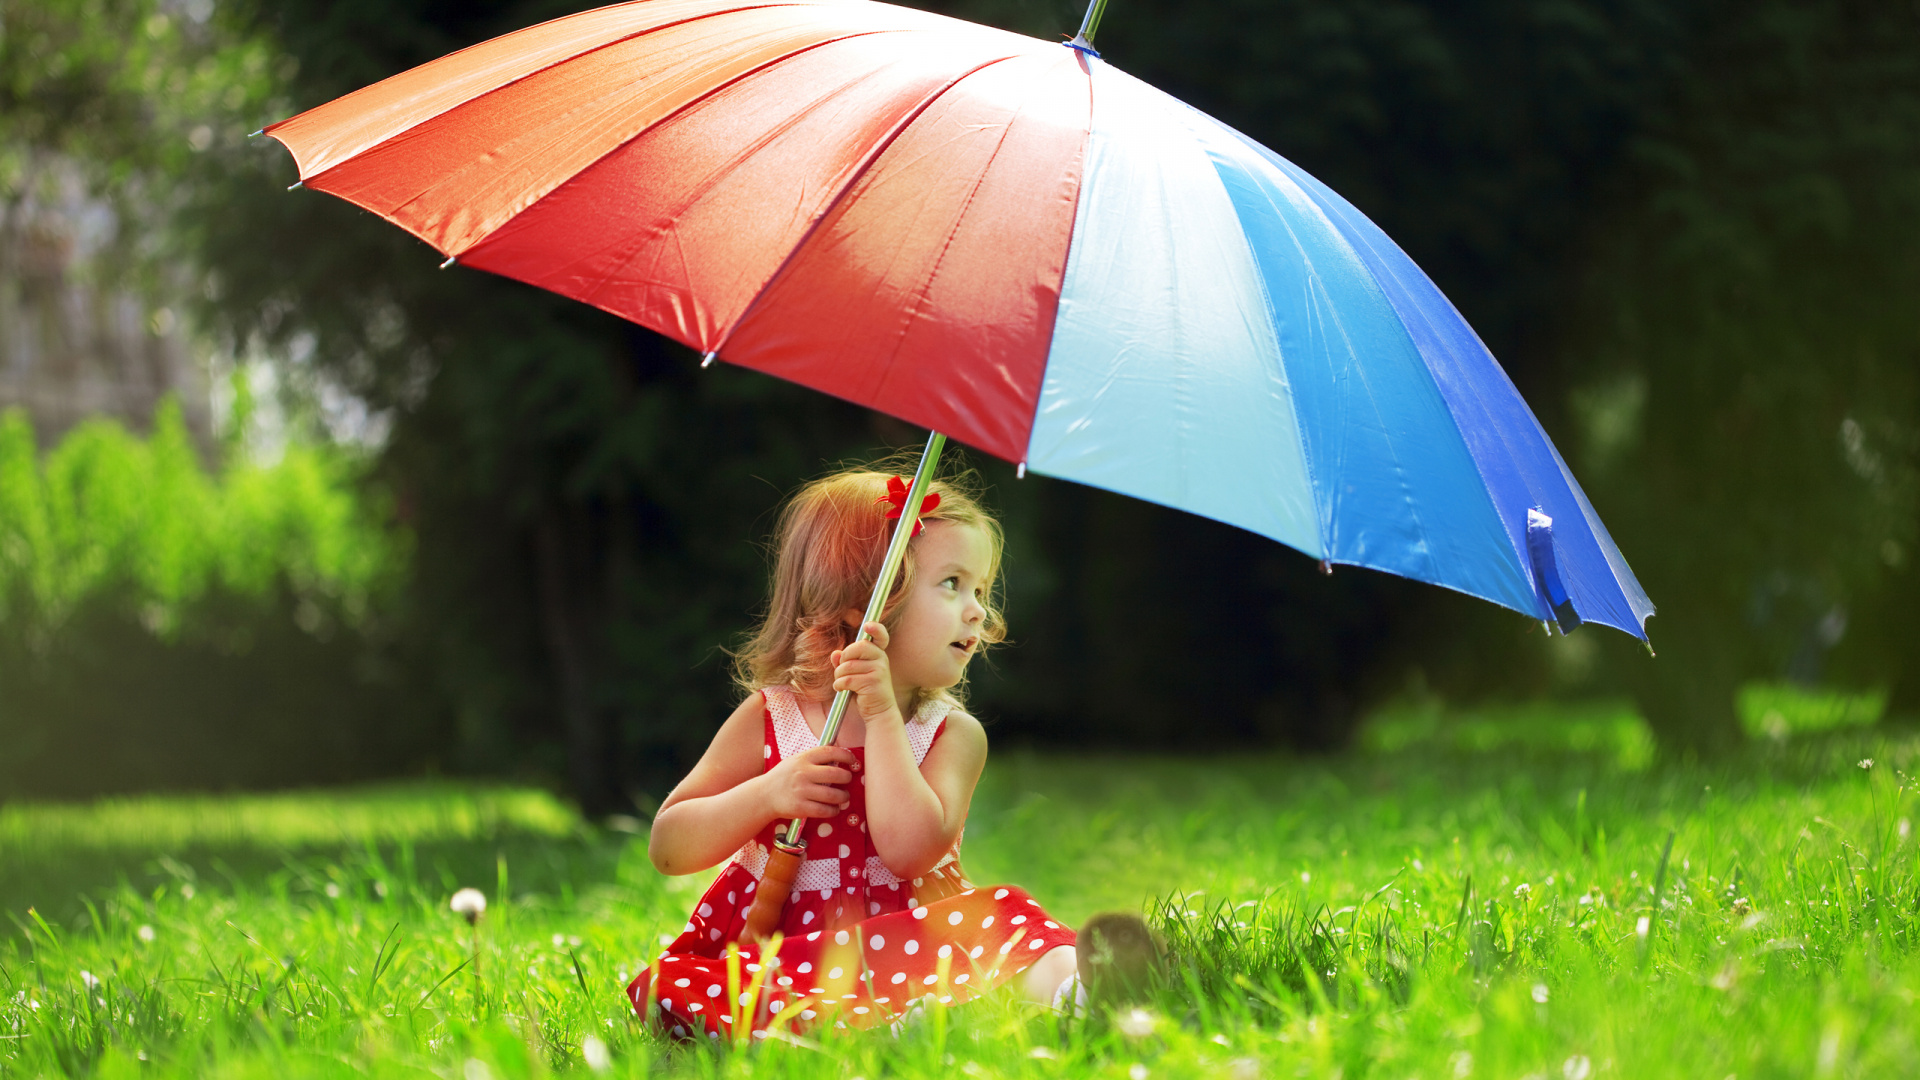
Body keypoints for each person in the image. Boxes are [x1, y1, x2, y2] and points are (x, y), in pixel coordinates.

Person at [627, 464, 1155, 1041]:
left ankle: (1076, 990)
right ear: (862, 602)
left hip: (917, 949)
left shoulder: (949, 733)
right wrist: (767, 794)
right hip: (790, 961)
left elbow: (909, 852)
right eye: (952, 583)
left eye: (980, 590)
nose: (977, 610)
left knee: (1005, 917)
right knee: (680, 983)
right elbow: (669, 848)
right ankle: (874, 1027)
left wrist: (881, 717)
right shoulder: (771, 719)